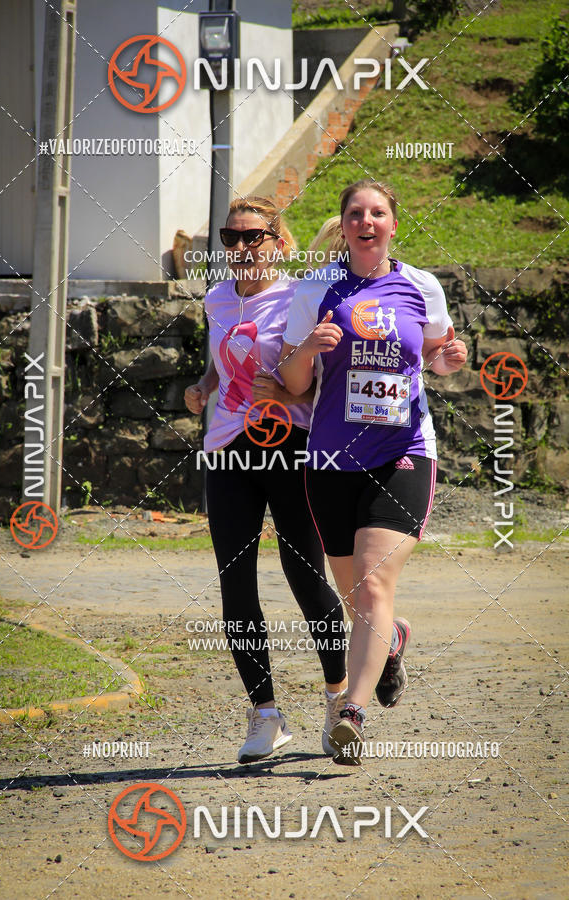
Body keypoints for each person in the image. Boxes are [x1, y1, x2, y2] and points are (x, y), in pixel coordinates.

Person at [279, 180, 467, 765]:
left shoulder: (421, 286)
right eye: (356, 213)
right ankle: (389, 645)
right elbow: (292, 384)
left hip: (403, 451)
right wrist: (308, 347)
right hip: (331, 457)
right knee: (356, 595)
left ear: (391, 223)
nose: (367, 221)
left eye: (378, 213)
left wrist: (448, 362)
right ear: (343, 225)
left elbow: (437, 356)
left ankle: (351, 712)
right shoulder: (315, 290)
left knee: (372, 582)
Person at [184, 196, 348, 764]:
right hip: (228, 450)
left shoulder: (302, 297)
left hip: (291, 446)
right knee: (236, 582)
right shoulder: (216, 299)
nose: (242, 249)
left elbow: (319, 381)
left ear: (279, 241)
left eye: (254, 237)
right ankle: (265, 715)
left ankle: (338, 701)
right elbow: (220, 358)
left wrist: (286, 392)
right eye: (232, 239)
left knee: (305, 575)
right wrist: (204, 387)